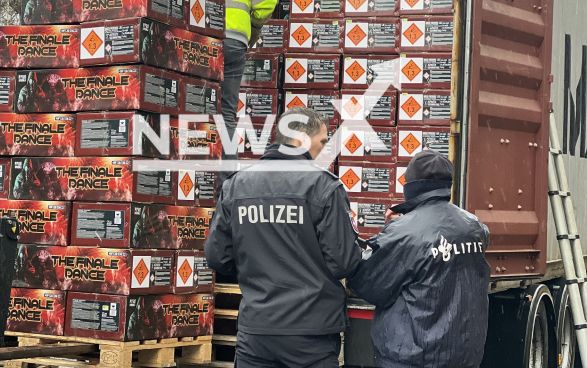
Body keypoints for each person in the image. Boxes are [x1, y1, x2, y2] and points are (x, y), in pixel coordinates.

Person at [205, 107, 361, 368]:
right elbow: (344, 261)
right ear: (301, 138)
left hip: (256, 332)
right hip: (311, 334)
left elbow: (217, 257)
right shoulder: (323, 186)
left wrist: (256, 269)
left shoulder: (237, 185)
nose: (323, 149)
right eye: (322, 141)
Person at [152, 0, 278, 187]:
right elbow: (267, 4)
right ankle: (226, 186)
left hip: (193, 41)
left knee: (187, 108)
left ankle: (185, 184)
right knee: (227, 115)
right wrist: (252, 26)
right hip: (234, 43)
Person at [348, 150, 491, 368]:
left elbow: (368, 285)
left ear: (411, 186)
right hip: (464, 355)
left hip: (413, 358)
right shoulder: (475, 226)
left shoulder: (403, 233)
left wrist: (390, 232)